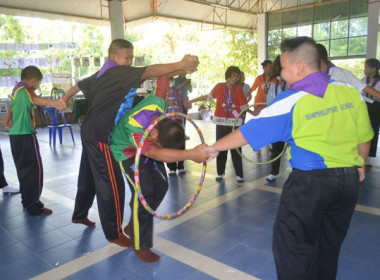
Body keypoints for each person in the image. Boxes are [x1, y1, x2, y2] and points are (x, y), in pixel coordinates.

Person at [204, 37, 373, 280]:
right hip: (347, 185)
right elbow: (364, 137)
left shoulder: (292, 100)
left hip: (310, 186)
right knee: (328, 247)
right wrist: (359, 164)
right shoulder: (349, 92)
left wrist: (213, 148)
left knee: (293, 248)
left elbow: (248, 132)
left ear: (300, 67)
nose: (281, 74)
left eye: (283, 67)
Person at [62, 39, 199, 247]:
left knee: (89, 175)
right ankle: (113, 233)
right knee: (111, 185)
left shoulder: (103, 73)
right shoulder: (117, 72)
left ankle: (80, 213)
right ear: (113, 57)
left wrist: (64, 99)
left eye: (131, 58)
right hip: (100, 135)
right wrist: (180, 64)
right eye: (126, 57)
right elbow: (150, 71)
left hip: (90, 131)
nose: (129, 62)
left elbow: (80, 84)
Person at [110, 76, 208, 263]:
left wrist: (180, 66)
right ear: (154, 137)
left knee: (162, 185)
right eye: (160, 145)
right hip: (126, 151)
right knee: (143, 193)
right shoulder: (137, 130)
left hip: (147, 149)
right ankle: (141, 244)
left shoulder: (159, 103)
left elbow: (163, 77)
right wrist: (191, 155)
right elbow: (156, 154)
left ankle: (135, 224)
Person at [6, 66, 66, 215]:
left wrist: (7, 122)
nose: (38, 87)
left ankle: (27, 202)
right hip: (26, 136)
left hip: (15, 137)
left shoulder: (16, 90)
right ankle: (34, 206)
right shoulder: (27, 90)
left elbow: (11, 109)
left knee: (24, 171)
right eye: (38, 83)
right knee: (35, 172)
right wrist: (55, 103)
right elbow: (36, 99)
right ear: (33, 81)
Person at [185, 66, 249, 183]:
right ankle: (220, 173)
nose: (235, 78)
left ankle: (239, 175)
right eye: (233, 75)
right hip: (221, 122)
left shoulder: (238, 89)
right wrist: (192, 101)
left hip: (235, 123)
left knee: (236, 149)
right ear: (228, 76)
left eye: (237, 76)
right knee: (220, 147)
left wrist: (253, 112)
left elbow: (244, 106)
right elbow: (207, 97)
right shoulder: (219, 87)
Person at [265, 55, 287, 182]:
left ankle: (298, 171)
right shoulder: (275, 85)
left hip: (293, 121)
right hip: (278, 122)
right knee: (276, 148)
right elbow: (270, 104)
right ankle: (274, 172)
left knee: (296, 147)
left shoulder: (295, 84)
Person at [166, 78, 189, 175]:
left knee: (180, 142)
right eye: (168, 80)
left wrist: (187, 104)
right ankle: (171, 167)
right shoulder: (162, 94)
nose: (170, 82)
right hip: (167, 122)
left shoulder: (179, 92)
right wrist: (166, 102)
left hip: (179, 120)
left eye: (171, 80)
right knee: (169, 143)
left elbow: (185, 103)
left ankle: (181, 166)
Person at [361, 58, 380, 166]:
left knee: (373, 131)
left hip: (375, 109)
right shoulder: (364, 80)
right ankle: (362, 153)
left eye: (367, 67)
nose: (365, 69)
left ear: (374, 69)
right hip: (365, 106)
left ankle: (369, 156)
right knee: (363, 130)